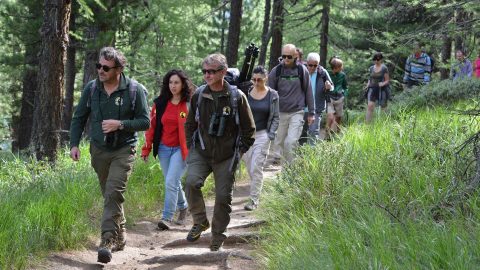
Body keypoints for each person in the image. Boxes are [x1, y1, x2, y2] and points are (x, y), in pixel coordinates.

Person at [69, 47, 150, 264]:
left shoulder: (134, 90)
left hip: (124, 149)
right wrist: (74, 144)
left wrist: (121, 124)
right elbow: (79, 118)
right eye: (98, 66)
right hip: (98, 150)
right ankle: (120, 234)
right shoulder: (92, 88)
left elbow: (145, 121)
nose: (100, 70)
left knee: (114, 192)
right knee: (109, 194)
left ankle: (106, 240)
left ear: (118, 69)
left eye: (106, 67)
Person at [184, 53, 255, 251]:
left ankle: (218, 236)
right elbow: (189, 124)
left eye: (211, 71)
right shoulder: (199, 94)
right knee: (190, 182)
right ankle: (200, 221)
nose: (207, 75)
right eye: (204, 71)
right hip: (202, 151)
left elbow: (250, 130)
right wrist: (192, 147)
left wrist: (239, 153)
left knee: (223, 197)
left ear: (223, 72)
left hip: (227, 155)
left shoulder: (236, 97)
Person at [141, 69, 193, 230]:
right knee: (172, 181)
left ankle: (167, 217)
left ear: (183, 84)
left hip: (182, 149)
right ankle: (183, 207)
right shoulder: (160, 103)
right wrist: (146, 149)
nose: (173, 86)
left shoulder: (189, 104)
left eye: (176, 82)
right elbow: (151, 127)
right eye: (170, 82)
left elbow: (196, 129)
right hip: (163, 148)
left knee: (170, 181)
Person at [267, 44, 314, 164]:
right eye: (284, 56)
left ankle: (290, 170)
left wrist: (311, 113)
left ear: (295, 57)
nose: (286, 59)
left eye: (289, 56)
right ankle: (284, 167)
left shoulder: (301, 70)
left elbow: (308, 90)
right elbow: (269, 93)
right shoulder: (276, 71)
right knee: (280, 142)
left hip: (297, 111)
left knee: (291, 142)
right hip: (280, 112)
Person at [242, 66, 279, 211]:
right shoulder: (246, 92)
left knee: (256, 167)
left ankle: (253, 200)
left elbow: (276, 116)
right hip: (246, 135)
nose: (256, 82)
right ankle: (257, 192)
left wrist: (271, 134)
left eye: (259, 80)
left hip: (263, 134)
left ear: (266, 79)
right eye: (254, 79)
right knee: (250, 168)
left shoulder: (273, 95)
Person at [305, 52, 333, 141]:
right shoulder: (301, 71)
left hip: (317, 107)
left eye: (315, 65)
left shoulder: (322, 72)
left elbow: (332, 86)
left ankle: (312, 153)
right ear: (307, 62)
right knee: (301, 132)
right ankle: (300, 152)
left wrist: (329, 86)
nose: (313, 67)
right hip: (302, 107)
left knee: (313, 131)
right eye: (310, 65)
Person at [365, 52, 390, 123]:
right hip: (372, 88)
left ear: (381, 60)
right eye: (375, 59)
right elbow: (370, 78)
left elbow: (387, 80)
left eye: (378, 60)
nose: (376, 61)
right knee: (370, 106)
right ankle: (367, 124)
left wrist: (383, 83)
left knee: (383, 106)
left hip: (382, 89)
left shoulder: (384, 68)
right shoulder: (371, 68)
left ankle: (386, 122)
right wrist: (368, 85)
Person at [327, 57, 347, 136]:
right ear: (335, 67)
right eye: (340, 66)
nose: (342, 68)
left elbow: (345, 87)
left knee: (338, 117)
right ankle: (327, 134)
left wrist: (344, 94)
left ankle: (337, 133)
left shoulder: (342, 75)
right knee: (331, 116)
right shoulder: (327, 73)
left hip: (339, 97)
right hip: (330, 97)